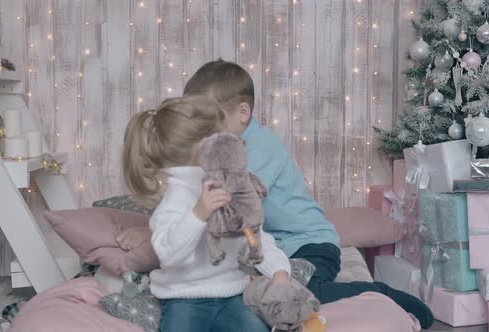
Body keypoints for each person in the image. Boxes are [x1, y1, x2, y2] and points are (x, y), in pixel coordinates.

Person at [182, 59, 435, 329]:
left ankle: (379, 292)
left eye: (207, 120)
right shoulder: (224, 148)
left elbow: (232, 203)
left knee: (302, 296)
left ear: (242, 112)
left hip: (310, 244)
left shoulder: (258, 147)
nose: (200, 129)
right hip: (276, 247)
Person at [121, 95, 291, 332]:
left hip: (233, 296)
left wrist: (279, 272)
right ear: (206, 148)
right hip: (183, 300)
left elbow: (255, 236)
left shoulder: (233, 186)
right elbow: (170, 256)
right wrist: (199, 213)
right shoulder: (173, 200)